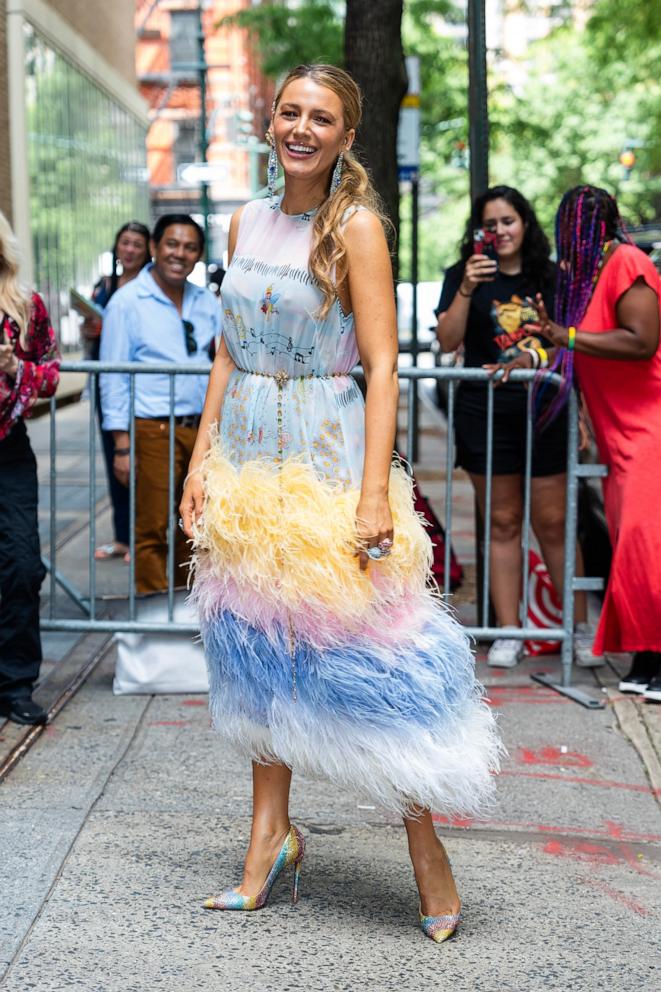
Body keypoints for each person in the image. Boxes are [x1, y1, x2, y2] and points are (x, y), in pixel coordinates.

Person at [180, 64, 501, 943]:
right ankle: (267, 841)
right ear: (271, 122)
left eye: (320, 117)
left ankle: (425, 847)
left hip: (324, 454)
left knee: (368, 653)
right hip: (245, 458)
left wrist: (372, 493)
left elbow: (384, 364)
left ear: (345, 135)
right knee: (252, 649)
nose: (301, 128)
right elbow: (223, 353)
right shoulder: (246, 218)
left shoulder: (354, 226)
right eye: (289, 112)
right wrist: (199, 461)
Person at [497, 186, 661, 701]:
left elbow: (641, 341)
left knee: (645, 547)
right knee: (630, 550)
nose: (568, 236)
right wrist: (531, 360)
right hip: (618, 434)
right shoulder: (588, 278)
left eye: (573, 225)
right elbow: (570, 350)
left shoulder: (629, 261)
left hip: (650, 425)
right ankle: (644, 657)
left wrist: (564, 335)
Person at [436, 185, 599, 668]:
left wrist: (581, 407)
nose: (500, 232)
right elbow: (448, 341)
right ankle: (509, 630)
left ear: (524, 224)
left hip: (546, 409)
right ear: (478, 232)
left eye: (508, 221)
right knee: (503, 521)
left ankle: (577, 627)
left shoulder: (551, 278)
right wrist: (466, 287)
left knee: (552, 521)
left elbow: (572, 343)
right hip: (486, 414)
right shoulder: (462, 276)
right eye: (490, 224)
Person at [100, 214, 219, 595]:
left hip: (202, 431)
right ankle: (152, 614)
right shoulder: (127, 302)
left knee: (196, 525)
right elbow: (113, 378)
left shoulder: (207, 303)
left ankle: (189, 613)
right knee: (151, 527)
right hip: (152, 429)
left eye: (189, 247)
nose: (179, 254)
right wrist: (121, 444)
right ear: (155, 247)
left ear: (198, 255)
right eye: (171, 244)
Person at [0, 211, 60, 725]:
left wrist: (17, 368)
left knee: (22, 565)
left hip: (8, 449)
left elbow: (53, 372)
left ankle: (16, 683)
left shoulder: (26, 305)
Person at [81, 221, 151, 563]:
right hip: (107, 380)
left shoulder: (154, 286)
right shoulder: (104, 286)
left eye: (138, 244)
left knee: (146, 460)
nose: (131, 250)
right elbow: (90, 335)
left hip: (145, 385)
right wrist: (90, 329)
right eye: (125, 242)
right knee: (116, 459)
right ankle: (123, 537)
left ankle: (147, 538)